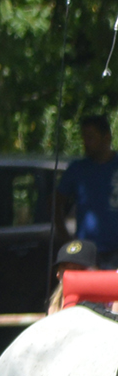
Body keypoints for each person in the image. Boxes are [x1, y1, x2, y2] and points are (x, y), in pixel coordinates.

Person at [56, 114, 118, 269]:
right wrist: (65, 239)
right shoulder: (77, 170)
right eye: (83, 137)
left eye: (90, 137)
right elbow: (55, 204)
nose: (85, 143)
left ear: (107, 138)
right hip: (87, 253)